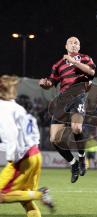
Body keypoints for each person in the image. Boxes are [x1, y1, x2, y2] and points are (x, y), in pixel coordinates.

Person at [39, 36, 96, 183]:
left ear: (79, 46)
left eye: (76, 42)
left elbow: (91, 72)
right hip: (63, 99)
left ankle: (82, 158)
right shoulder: (58, 64)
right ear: (66, 46)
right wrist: (45, 83)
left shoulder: (85, 58)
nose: (73, 44)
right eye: (71, 42)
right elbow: (52, 82)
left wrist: (74, 61)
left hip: (78, 94)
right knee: (54, 139)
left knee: (77, 128)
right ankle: (73, 163)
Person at [0, 75, 54, 217]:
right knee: (25, 199)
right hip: (35, 154)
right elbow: (32, 136)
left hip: (22, 157)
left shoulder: (3, 108)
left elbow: (11, 132)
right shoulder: (18, 108)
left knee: (1, 195)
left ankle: (40, 194)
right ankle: (37, 195)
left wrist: (12, 157)